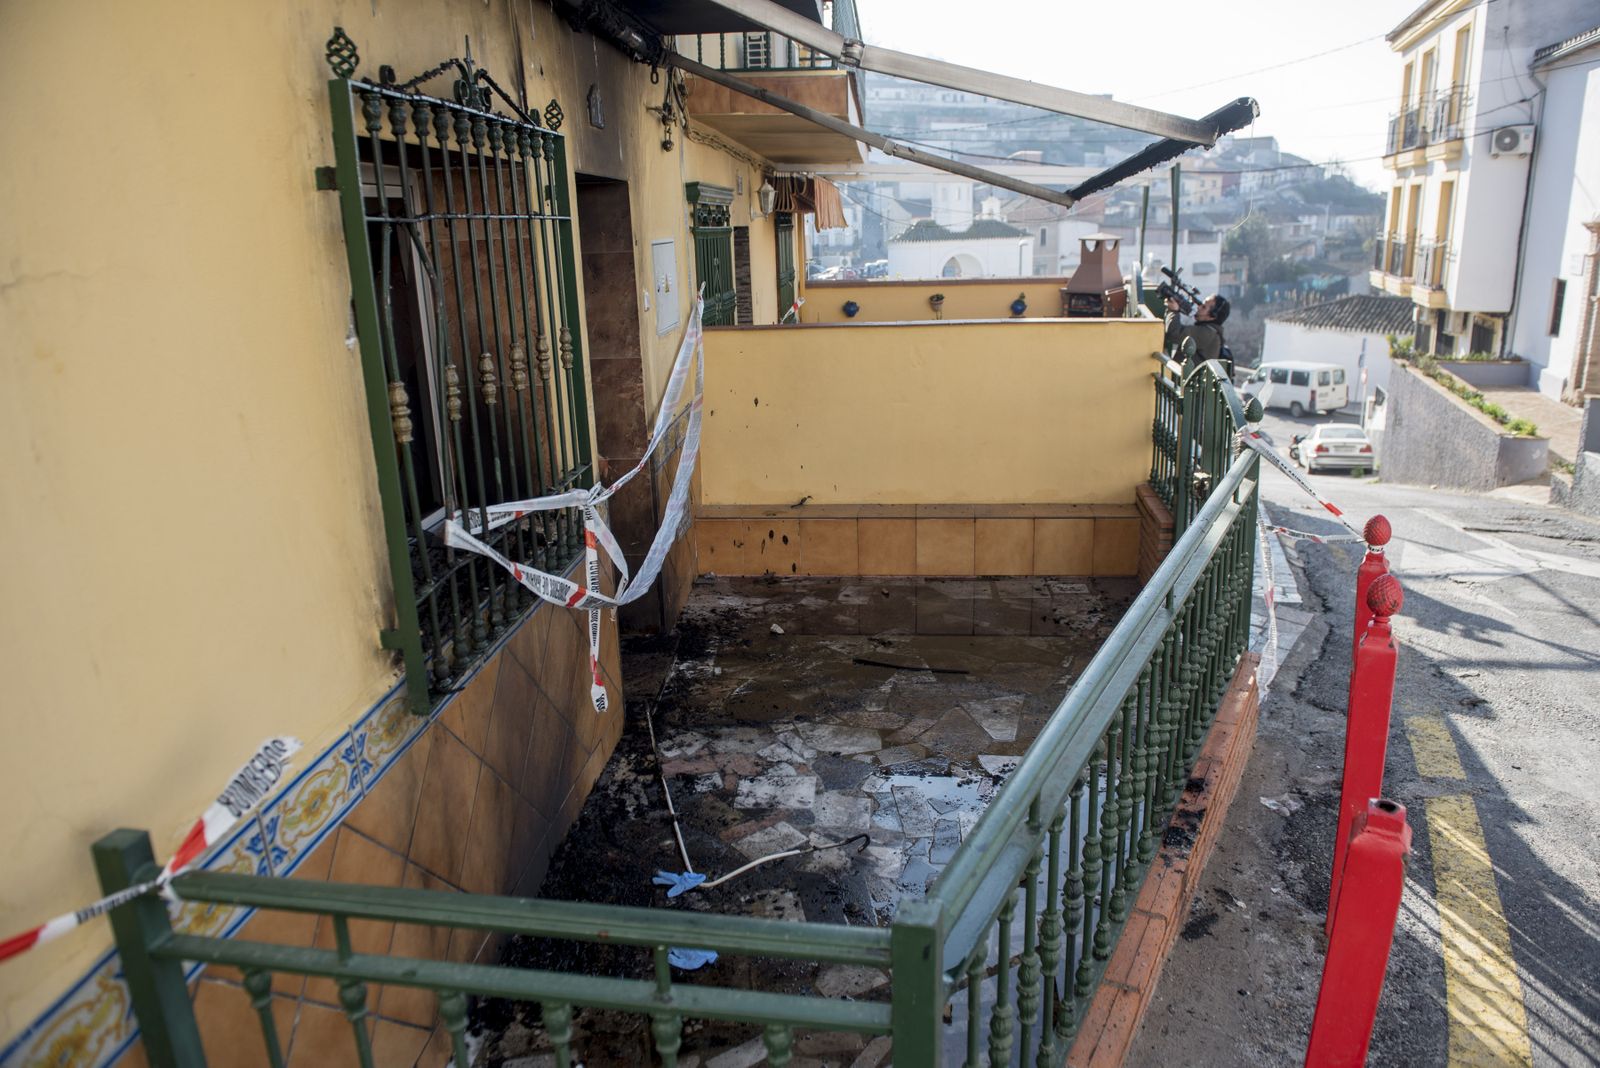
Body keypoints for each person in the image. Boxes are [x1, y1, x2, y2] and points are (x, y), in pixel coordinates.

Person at [1164, 293, 1231, 372]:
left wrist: (1173, 310)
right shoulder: (1210, 331)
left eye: (1203, 307)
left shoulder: (1208, 333)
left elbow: (1175, 333)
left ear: (1212, 316)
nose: (1198, 307)